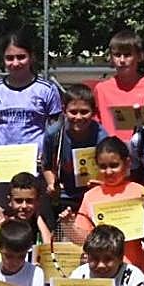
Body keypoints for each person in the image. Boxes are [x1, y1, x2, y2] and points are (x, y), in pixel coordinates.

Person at [0, 30, 61, 203]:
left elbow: (56, 135)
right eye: (9, 58)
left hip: (35, 170)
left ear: (32, 57)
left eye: (21, 57)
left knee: (34, 217)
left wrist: (49, 163)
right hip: (1, 170)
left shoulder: (47, 90)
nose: (15, 63)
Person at [73, 137, 144, 276]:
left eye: (114, 165)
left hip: (134, 268)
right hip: (101, 269)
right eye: (103, 166)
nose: (108, 171)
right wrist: (67, 223)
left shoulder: (140, 191)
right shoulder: (90, 196)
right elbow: (83, 238)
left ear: (127, 163)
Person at [41, 83, 106, 214]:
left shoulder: (101, 136)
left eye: (84, 112)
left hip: (91, 194)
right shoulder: (54, 134)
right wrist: (51, 183)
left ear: (93, 112)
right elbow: (46, 165)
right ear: (64, 111)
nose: (78, 117)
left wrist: (101, 182)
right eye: (73, 112)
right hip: (64, 195)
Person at [93, 29, 144, 139]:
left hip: (143, 152)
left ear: (139, 56)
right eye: (117, 55)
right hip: (111, 152)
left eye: (128, 55)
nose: (122, 60)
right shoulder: (101, 90)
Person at [5, 172, 51, 246]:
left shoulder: (44, 222)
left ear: (37, 201)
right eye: (18, 201)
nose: (24, 206)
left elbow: (49, 247)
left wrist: (38, 217)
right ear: (10, 201)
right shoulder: (4, 223)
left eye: (29, 201)